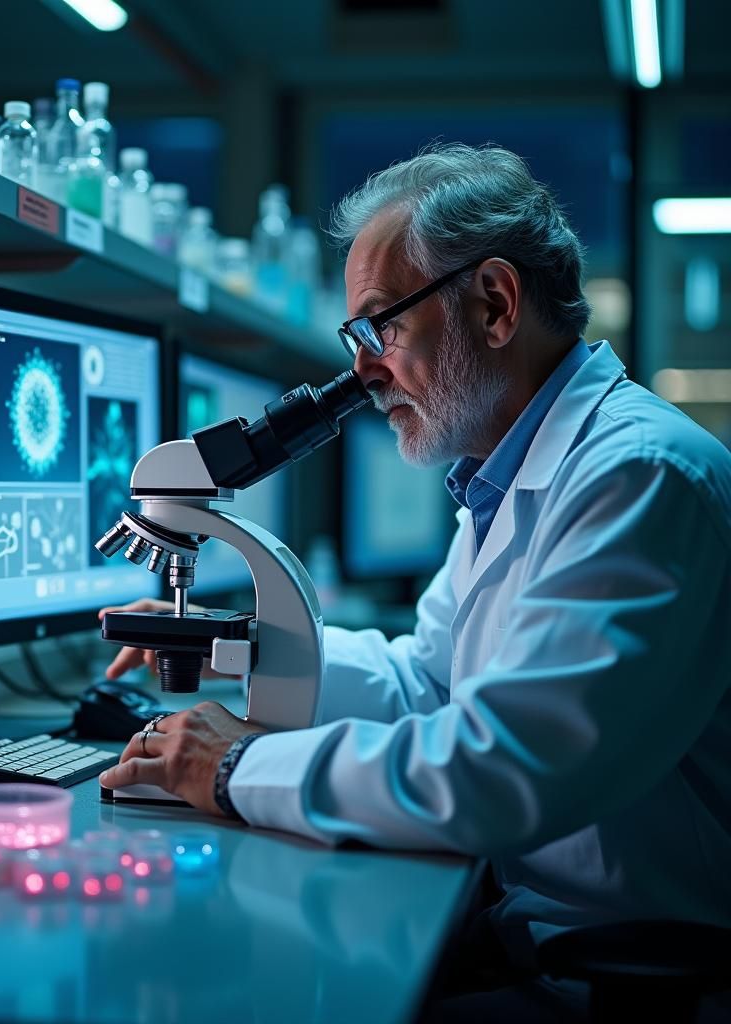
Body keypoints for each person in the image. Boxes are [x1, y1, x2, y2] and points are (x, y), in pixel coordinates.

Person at [97, 143, 731, 1001]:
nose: (361, 370)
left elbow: (502, 770)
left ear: (496, 304)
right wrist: (231, 647)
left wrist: (234, 769)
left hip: (622, 975)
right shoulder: (505, 478)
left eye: (380, 326)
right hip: (536, 932)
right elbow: (430, 686)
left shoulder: (639, 475)